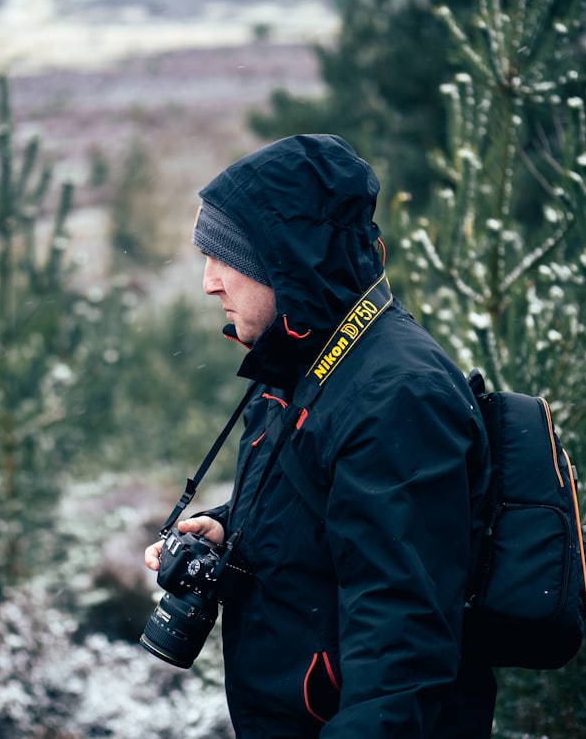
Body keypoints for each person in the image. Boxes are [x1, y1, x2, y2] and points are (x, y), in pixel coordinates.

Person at [145, 134, 496, 738]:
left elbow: (402, 650)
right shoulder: (306, 365)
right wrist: (233, 526)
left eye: (225, 256)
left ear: (288, 260)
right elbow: (339, 504)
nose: (209, 283)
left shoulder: (397, 395)